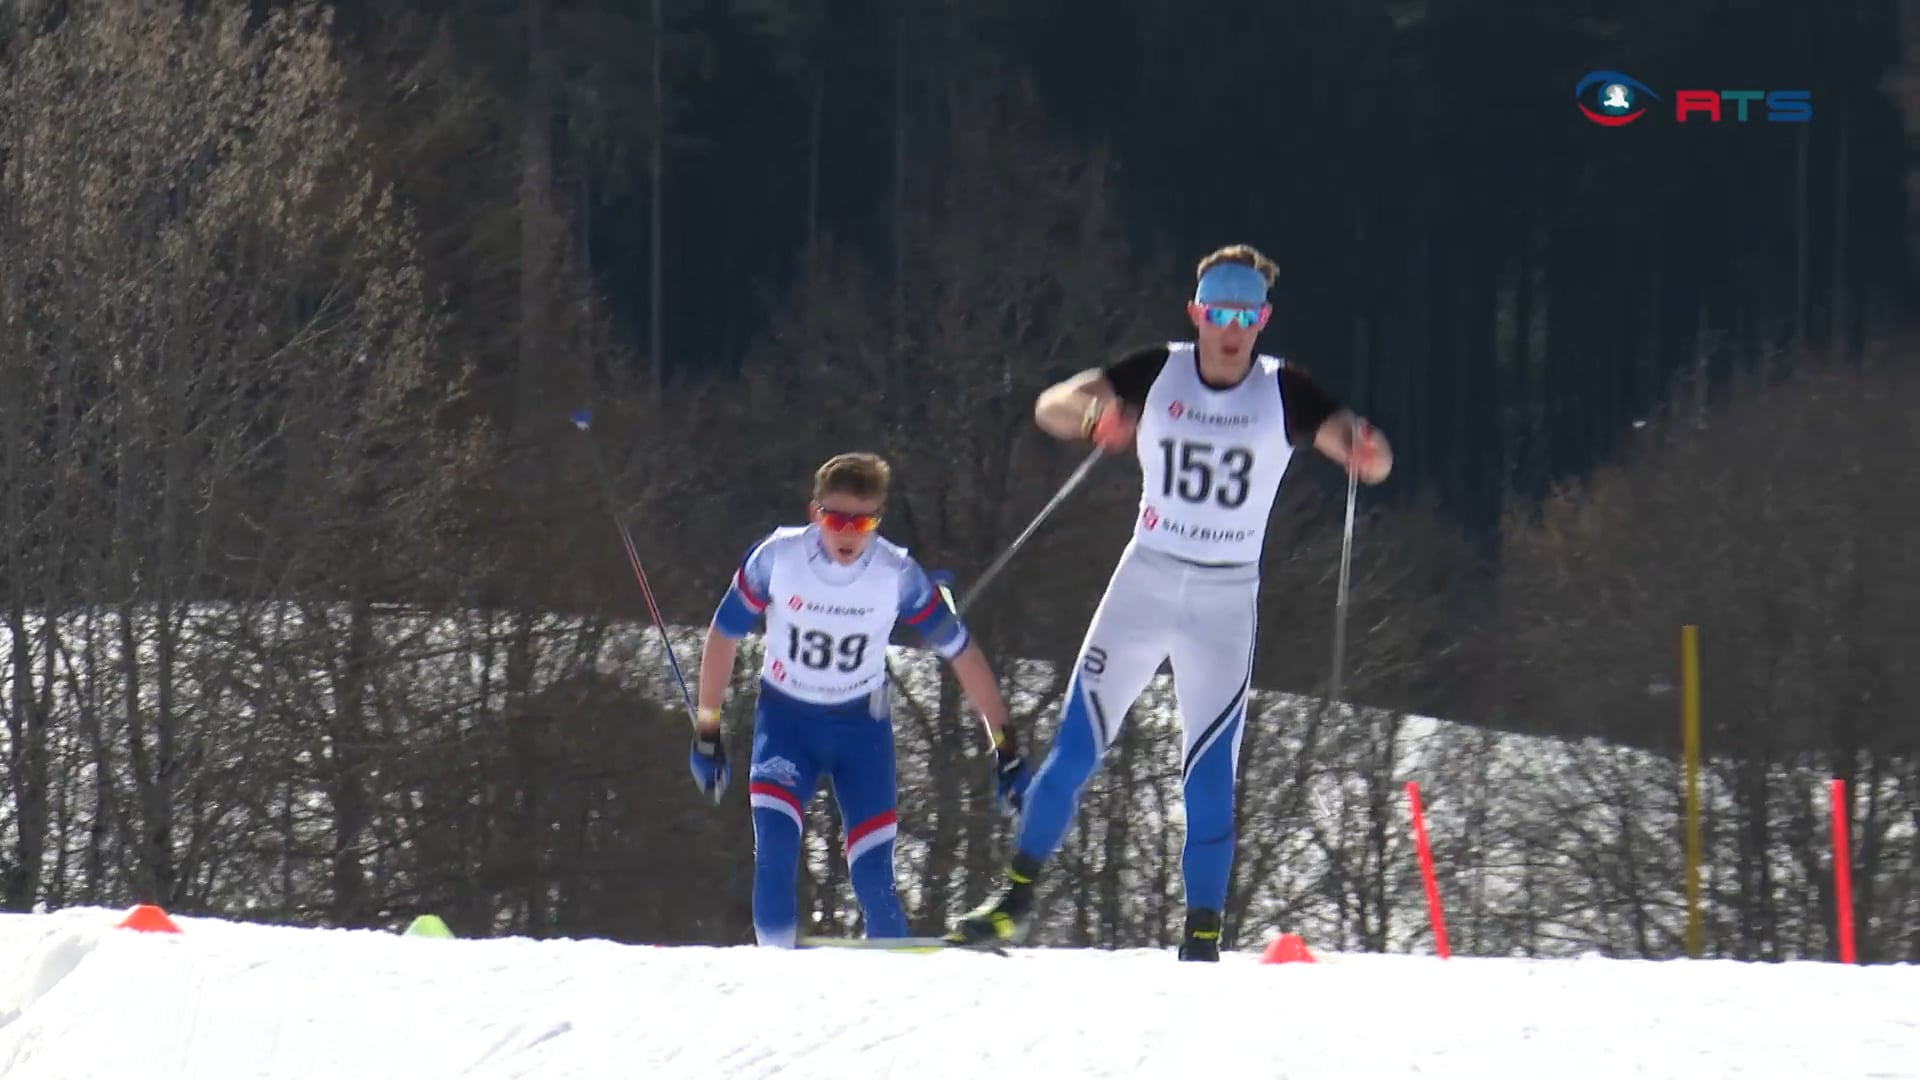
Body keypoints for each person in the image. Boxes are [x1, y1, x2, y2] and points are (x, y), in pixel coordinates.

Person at [944, 244, 1392, 960]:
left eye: (1245, 315)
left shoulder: (1286, 391)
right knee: (1074, 749)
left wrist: (1364, 453)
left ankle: (1203, 939)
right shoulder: (1159, 368)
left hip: (1224, 598)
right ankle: (1012, 904)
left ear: (1264, 319)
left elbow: (1364, 449)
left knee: (1210, 774)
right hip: (1145, 580)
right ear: (1196, 314)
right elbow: (1052, 404)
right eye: (1218, 313)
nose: (1230, 329)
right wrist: (1095, 419)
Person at [690, 451, 1031, 947]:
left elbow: (962, 653)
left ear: (878, 519)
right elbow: (723, 635)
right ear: (815, 514)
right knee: (776, 857)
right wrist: (706, 729)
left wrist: (1007, 746)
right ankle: (772, 978)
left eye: (863, 520)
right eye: (836, 518)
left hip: (860, 732)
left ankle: (885, 1000)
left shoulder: (895, 572)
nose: (848, 533)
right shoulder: (779, 557)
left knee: (874, 880)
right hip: (786, 724)